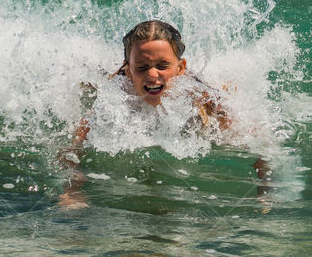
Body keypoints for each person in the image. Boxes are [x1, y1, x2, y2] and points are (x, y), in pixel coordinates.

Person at [58, 20, 271, 209]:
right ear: (129, 70)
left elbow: (258, 143)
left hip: (200, 87)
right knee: (93, 82)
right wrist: (73, 189)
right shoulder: (117, 95)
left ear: (180, 68)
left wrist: (265, 187)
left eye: (162, 66)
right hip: (122, 81)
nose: (153, 75)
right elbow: (74, 145)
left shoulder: (200, 97)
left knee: (224, 90)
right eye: (142, 67)